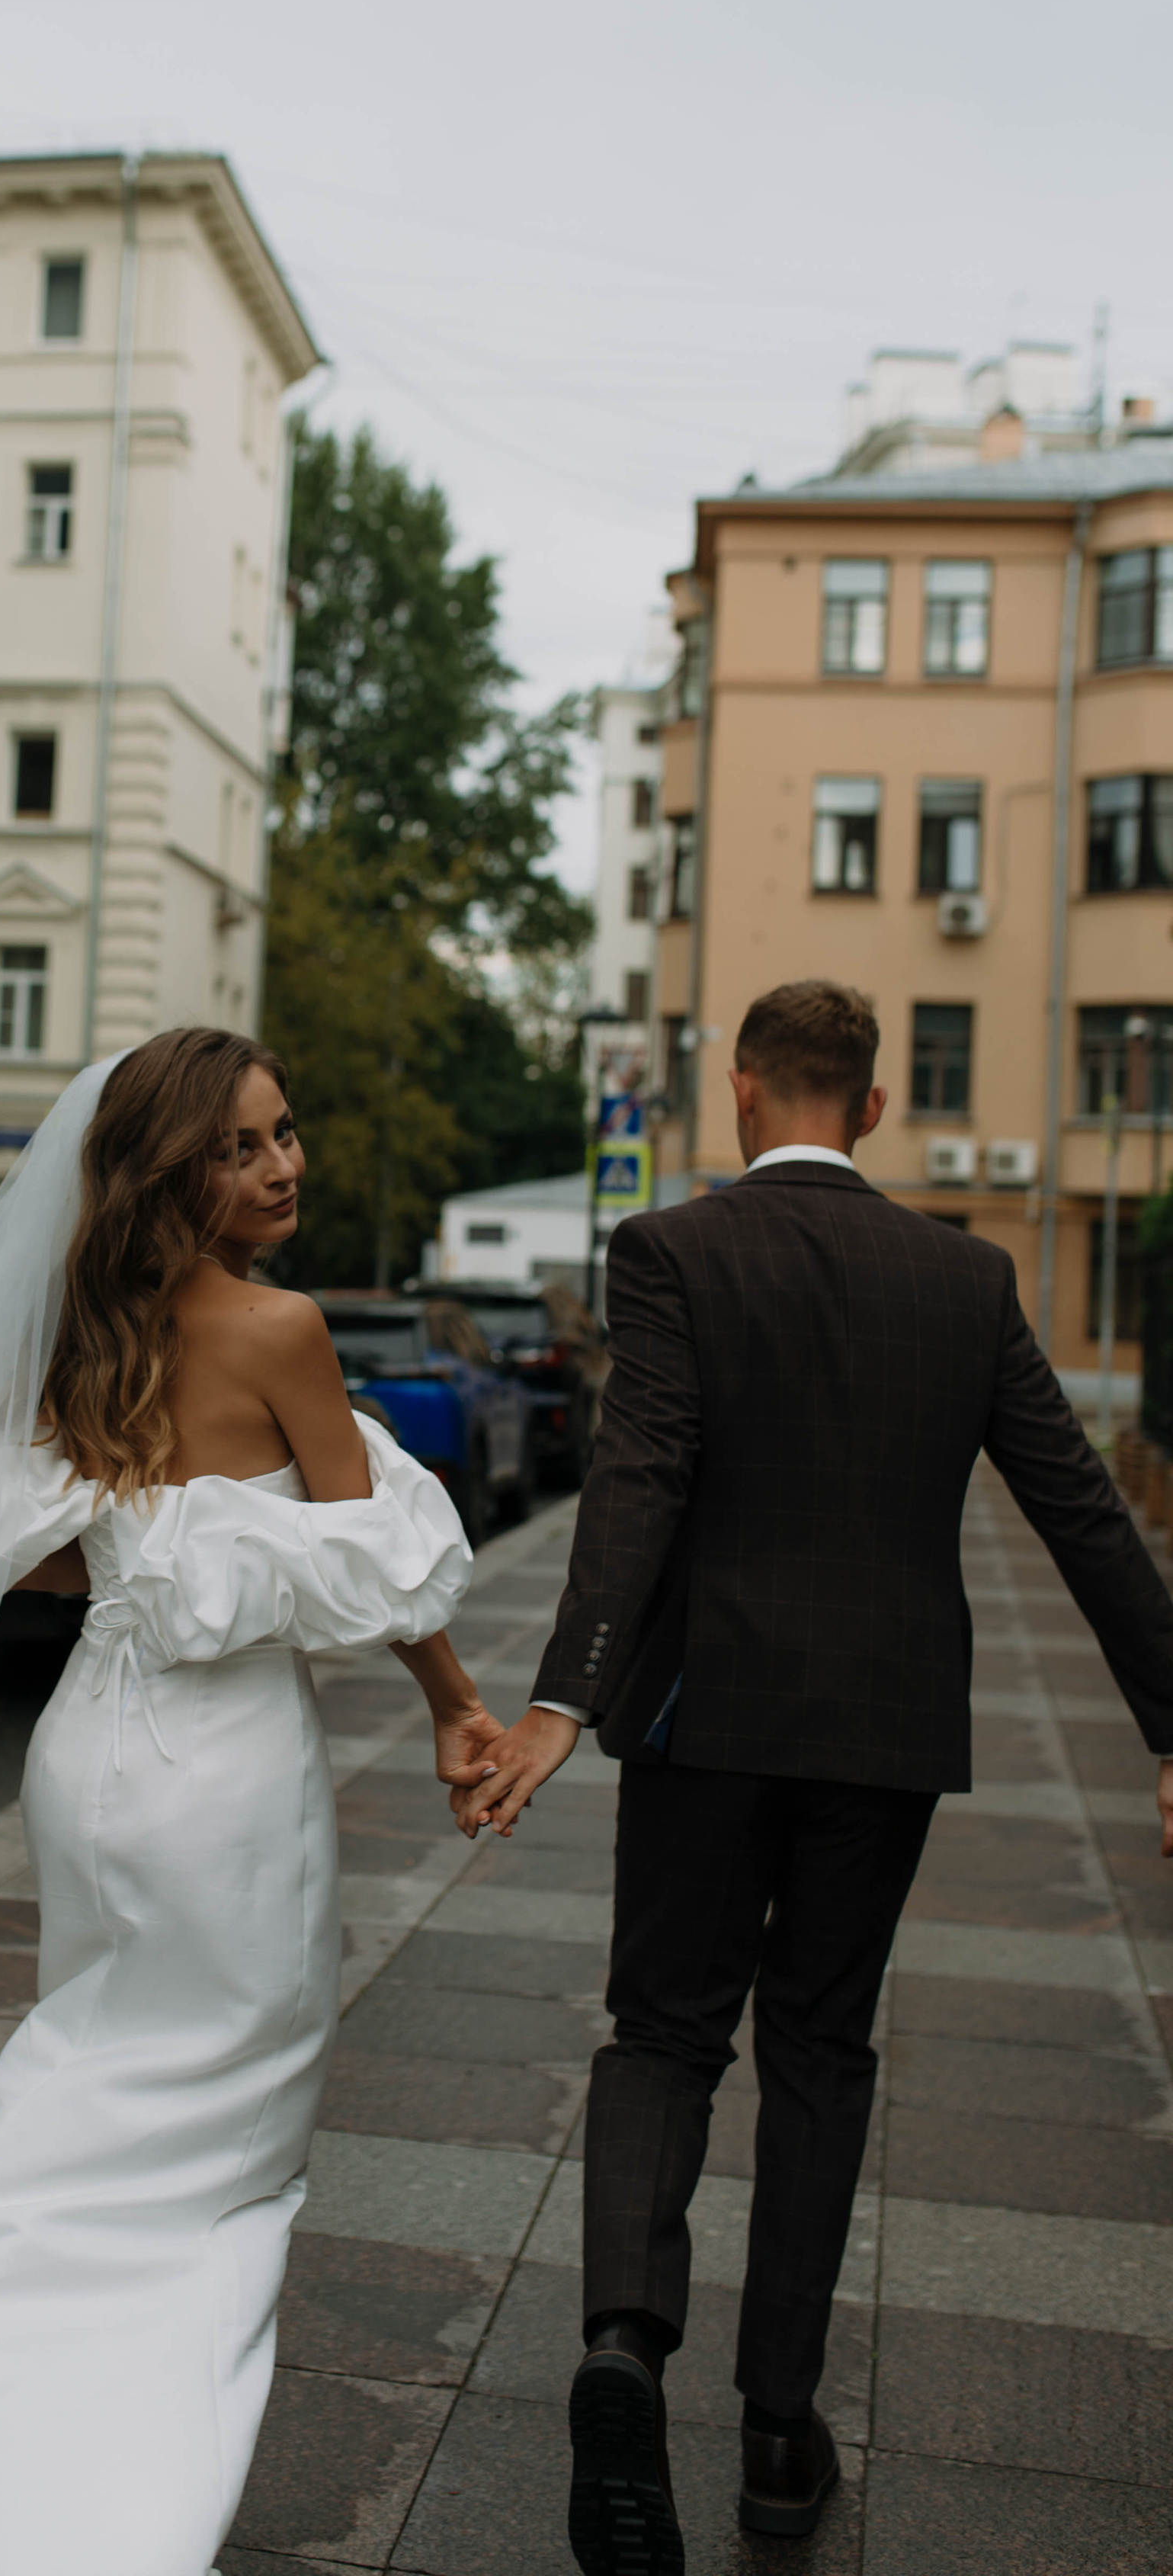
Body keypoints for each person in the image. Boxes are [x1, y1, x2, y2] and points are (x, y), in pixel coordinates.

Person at [0, 1029, 492, 2576]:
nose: (281, 1167)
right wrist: (458, 1709)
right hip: (221, 1773)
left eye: (285, 1135)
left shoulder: (73, 1333)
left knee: (85, 2068)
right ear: (173, 1168)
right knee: (222, 2147)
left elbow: (12, 1543)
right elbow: (375, 1575)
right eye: (242, 1147)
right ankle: (118, 2520)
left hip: (88, 1752)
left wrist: (134, 1546)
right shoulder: (278, 1329)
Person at [467, 979, 1173, 2574]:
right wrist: (1169, 1723)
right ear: (867, 1107)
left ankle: (622, 2349)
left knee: (662, 2031)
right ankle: (778, 2434)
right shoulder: (963, 1278)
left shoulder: (668, 1256)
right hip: (883, 1733)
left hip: (704, 1719)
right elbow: (1076, 1505)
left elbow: (633, 1488)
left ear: (737, 1095)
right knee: (818, 2049)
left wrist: (557, 1708)